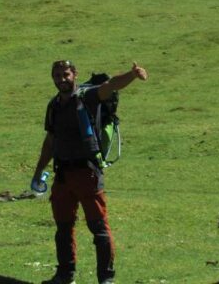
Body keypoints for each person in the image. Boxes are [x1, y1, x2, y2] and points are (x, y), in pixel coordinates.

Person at [33, 60, 148, 284]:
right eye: (56, 76)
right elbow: (50, 141)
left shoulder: (88, 97)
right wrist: (38, 171)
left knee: (98, 228)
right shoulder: (53, 105)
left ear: (75, 74)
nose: (61, 79)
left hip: (87, 173)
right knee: (63, 228)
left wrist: (132, 75)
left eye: (65, 74)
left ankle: (106, 279)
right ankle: (65, 275)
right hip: (63, 175)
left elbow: (111, 85)